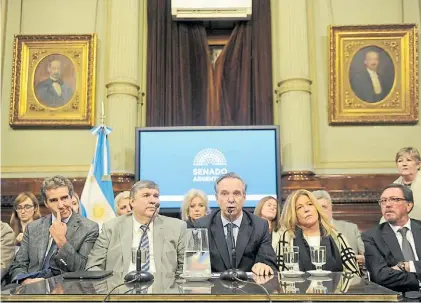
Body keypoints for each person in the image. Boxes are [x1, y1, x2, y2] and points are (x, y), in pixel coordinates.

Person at [9, 176, 99, 285]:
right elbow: (18, 265)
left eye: (64, 198)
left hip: (65, 290)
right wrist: (25, 281)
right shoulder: (33, 227)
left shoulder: (89, 228)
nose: (61, 205)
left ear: (71, 198)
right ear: (46, 203)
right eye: (54, 200)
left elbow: (82, 269)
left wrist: (61, 241)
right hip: (30, 289)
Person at [85, 180, 187, 275]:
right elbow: (93, 266)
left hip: (163, 292)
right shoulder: (111, 227)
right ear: (132, 202)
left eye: (156, 196)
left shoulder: (176, 228)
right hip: (119, 290)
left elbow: (186, 268)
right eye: (146, 195)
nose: (153, 201)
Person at [194, 172, 277, 276]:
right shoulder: (202, 225)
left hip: (249, 289)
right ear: (216, 198)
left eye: (236, 193)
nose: (231, 199)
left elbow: (270, 264)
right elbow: (196, 267)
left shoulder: (259, 226)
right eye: (224, 194)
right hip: (214, 289)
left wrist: (264, 265)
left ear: (244, 197)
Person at [273, 189, 360, 275]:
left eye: (310, 204)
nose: (306, 209)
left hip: (335, 288)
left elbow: (353, 274)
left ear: (317, 208)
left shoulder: (335, 236)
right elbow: (280, 276)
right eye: (299, 207)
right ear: (293, 214)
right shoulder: (287, 238)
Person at [363, 184, 421, 292]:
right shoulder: (371, 237)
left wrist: (405, 266)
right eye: (383, 201)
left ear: (409, 205)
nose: (388, 205)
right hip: (398, 297)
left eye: (394, 199)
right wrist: (418, 280)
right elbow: (380, 276)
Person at [312, 190, 365, 267]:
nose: (321, 211)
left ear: (331, 207)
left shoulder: (351, 229)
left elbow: (368, 257)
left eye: (324, 207)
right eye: (317, 208)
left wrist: (361, 259)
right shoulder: (306, 233)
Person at [393, 147, 420, 220]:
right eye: (400, 161)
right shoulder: (394, 186)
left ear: (418, 165)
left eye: (409, 160)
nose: (404, 164)